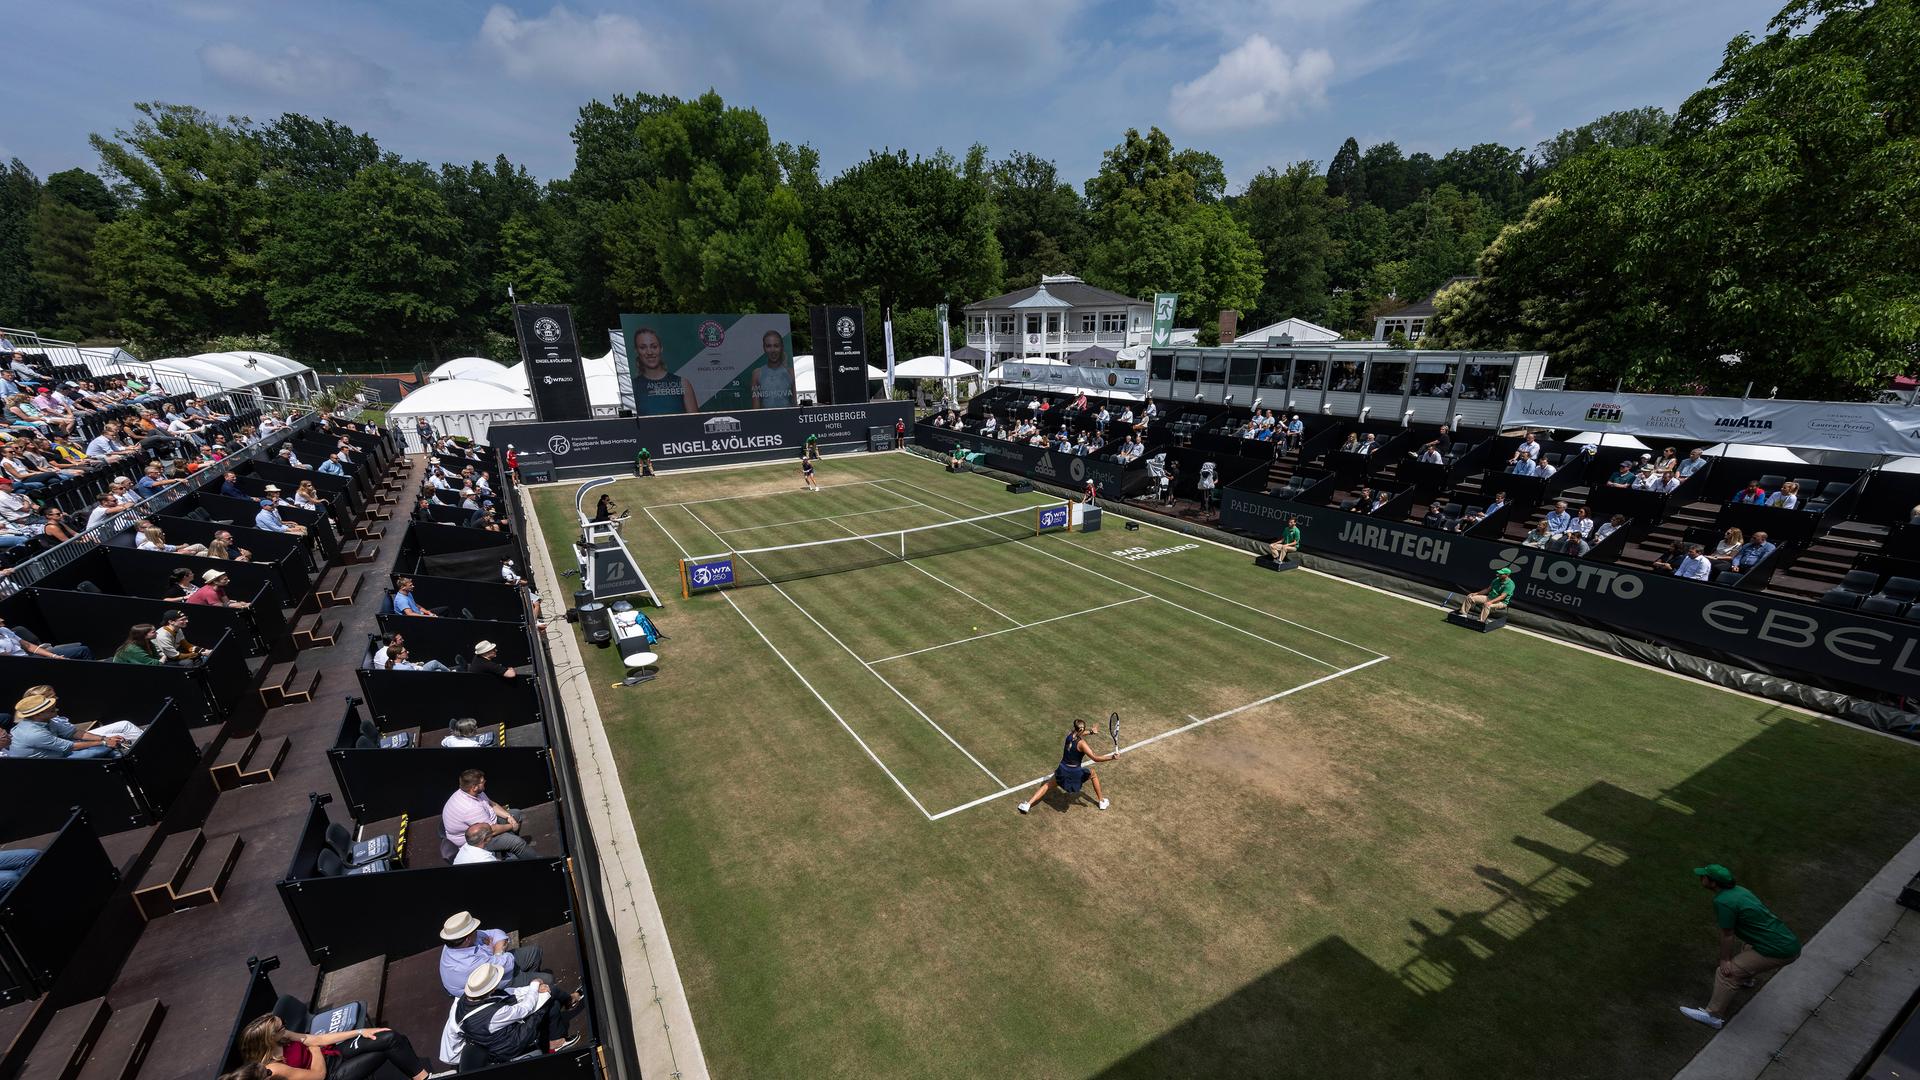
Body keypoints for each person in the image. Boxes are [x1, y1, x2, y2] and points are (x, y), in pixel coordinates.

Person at [1679, 864, 1802, 1029]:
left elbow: (1727, 934)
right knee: (1747, 947)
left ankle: (1713, 1016)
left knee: (1726, 974)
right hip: (1784, 940)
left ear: (1713, 883)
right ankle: (1747, 979)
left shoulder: (1723, 901)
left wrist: (1725, 960)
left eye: (1704, 876)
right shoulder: (1740, 891)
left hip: (1778, 949)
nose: (1701, 878)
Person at [439, 964, 582, 1065]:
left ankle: (567, 1003)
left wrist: (534, 989)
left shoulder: (463, 1000)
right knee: (550, 997)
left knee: (551, 1000)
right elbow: (525, 1008)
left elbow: (511, 994)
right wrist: (535, 985)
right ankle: (557, 1039)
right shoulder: (494, 1014)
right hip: (511, 1044)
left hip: (496, 1036)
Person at [237, 1013, 429, 1080]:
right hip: (331, 1075)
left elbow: (319, 1040)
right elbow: (318, 1075)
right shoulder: (273, 1068)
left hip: (331, 1055)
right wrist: (312, 1047)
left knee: (390, 1037)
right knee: (388, 1046)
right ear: (268, 1039)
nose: (285, 1028)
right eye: (280, 1027)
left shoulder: (282, 1035)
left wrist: (360, 1031)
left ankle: (422, 1077)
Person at [439, 910, 554, 996]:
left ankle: (527, 981)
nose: (477, 931)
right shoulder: (465, 964)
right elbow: (507, 964)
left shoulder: (458, 941)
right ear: (468, 938)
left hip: (500, 967)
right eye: (473, 930)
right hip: (494, 986)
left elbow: (496, 933)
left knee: (535, 951)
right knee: (548, 979)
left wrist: (497, 953)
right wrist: (498, 952)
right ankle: (526, 990)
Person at [1018, 718, 1117, 813]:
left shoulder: (1069, 735)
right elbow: (1095, 758)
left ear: (1075, 728)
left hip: (1062, 770)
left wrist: (1091, 731)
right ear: (1082, 729)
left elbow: (1080, 733)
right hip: (1074, 774)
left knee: (1046, 786)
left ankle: (1027, 805)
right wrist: (1112, 757)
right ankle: (1101, 802)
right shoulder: (1082, 744)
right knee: (1093, 774)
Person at [443, 769, 535, 860]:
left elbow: (491, 804)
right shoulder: (470, 808)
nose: (485, 781)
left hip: (488, 825)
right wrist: (512, 826)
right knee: (517, 842)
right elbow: (491, 830)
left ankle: (508, 851)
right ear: (474, 787)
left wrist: (509, 817)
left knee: (516, 814)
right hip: (477, 840)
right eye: (482, 782)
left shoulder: (474, 792)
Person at [7, 691, 127, 759]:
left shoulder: (45, 720)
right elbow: (69, 747)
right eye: (51, 709)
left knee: (110, 747)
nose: (57, 709)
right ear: (38, 715)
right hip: (51, 766)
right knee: (108, 749)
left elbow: (74, 732)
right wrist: (105, 743)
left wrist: (105, 738)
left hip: (61, 752)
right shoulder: (33, 734)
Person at [632, 326, 699, 414]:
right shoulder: (632, 387)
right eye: (643, 347)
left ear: (661, 348)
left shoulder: (683, 383)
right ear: (636, 351)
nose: (649, 352)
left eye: (654, 347)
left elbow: (695, 422)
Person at [0, 614, 91, 659]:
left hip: (31, 656)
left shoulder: (5, 630)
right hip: (25, 664)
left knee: (83, 650)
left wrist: (54, 656)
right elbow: (10, 661)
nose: (2, 620)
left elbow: (29, 646)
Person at [749, 331, 794, 409]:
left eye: (776, 346)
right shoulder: (756, 374)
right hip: (766, 418)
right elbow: (755, 408)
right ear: (764, 348)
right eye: (768, 346)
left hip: (788, 417)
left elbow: (795, 403)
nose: (773, 350)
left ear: (781, 347)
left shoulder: (791, 372)